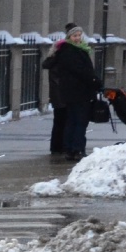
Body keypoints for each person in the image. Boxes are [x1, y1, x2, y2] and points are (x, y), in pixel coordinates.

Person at [41, 24, 102, 162]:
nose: (77, 38)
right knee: (79, 122)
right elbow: (81, 71)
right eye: (75, 36)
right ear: (69, 37)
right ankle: (76, 149)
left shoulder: (74, 49)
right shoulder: (70, 51)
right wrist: (95, 81)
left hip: (73, 92)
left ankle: (70, 149)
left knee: (72, 121)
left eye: (79, 35)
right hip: (78, 92)